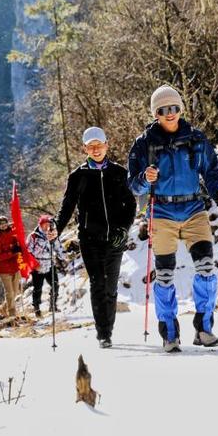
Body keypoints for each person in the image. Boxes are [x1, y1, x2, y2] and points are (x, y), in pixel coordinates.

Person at [128, 85, 218, 353]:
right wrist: (143, 179)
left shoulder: (196, 138)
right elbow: (133, 186)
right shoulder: (144, 144)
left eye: (174, 108)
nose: (169, 113)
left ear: (180, 109)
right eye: (163, 110)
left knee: (206, 267)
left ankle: (204, 329)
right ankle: (170, 334)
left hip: (194, 209)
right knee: (164, 275)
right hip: (161, 213)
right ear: (155, 113)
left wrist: (217, 191)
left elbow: (210, 170)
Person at [56, 127, 136, 348]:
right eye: (91, 146)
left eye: (99, 145)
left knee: (110, 286)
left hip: (115, 239)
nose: (96, 149)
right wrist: (56, 228)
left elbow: (130, 204)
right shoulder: (77, 176)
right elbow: (67, 207)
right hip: (90, 240)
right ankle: (104, 333)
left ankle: (107, 327)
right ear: (85, 149)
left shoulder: (119, 173)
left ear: (106, 146)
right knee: (97, 283)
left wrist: (124, 228)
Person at [27, 215, 65, 317]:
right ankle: (37, 308)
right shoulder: (33, 236)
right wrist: (34, 264)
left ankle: (53, 305)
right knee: (38, 288)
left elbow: (58, 247)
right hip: (37, 266)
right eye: (45, 224)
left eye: (48, 224)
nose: (47, 226)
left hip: (50, 264)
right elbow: (28, 252)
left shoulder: (52, 235)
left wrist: (64, 257)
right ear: (40, 224)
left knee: (55, 284)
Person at [0, 216, 21, 317]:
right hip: (4, 268)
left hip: (15, 266)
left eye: (5, 223)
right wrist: (12, 252)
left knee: (16, 291)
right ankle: (12, 313)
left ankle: (2, 308)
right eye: (1, 224)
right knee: (9, 292)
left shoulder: (13, 233)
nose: (3, 226)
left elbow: (19, 241)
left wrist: (19, 248)